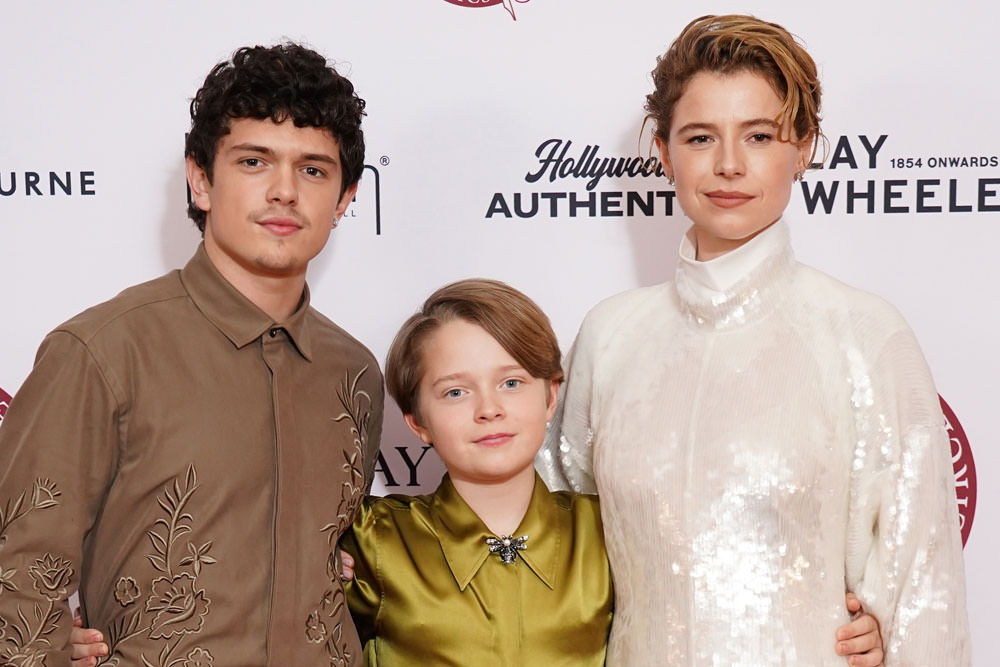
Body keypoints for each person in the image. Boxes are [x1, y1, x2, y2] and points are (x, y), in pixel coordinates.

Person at [71, 279, 886, 666]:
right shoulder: (372, 541)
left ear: (553, 393)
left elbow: (711, 613)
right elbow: (248, 589)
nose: (489, 409)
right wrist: (104, 632)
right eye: (456, 391)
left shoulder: (610, 528)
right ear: (417, 419)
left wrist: (841, 626)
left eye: (512, 382)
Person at [537, 14, 971, 665]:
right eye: (700, 137)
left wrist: (891, 635)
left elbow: (925, 592)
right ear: (664, 153)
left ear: (804, 148)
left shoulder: (865, 334)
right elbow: (545, 546)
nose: (729, 165)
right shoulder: (610, 336)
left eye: (760, 136)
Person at [0, 43, 383, 665]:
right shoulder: (103, 353)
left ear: (344, 199)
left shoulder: (355, 372)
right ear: (201, 179)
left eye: (314, 170)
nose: (285, 191)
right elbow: (17, 581)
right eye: (254, 162)